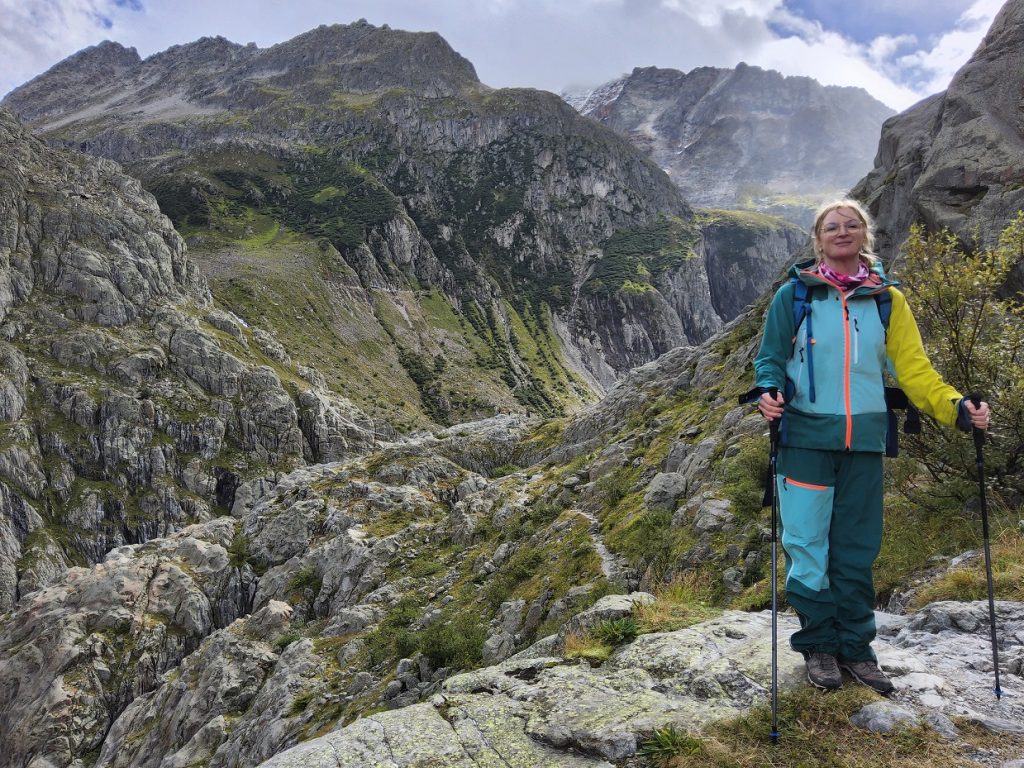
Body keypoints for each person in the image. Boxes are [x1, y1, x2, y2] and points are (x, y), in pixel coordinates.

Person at [751, 199, 990, 694]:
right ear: (819, 239)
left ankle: (857, 649)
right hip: (804, 442)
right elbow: (770, 359)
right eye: (832, 226)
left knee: (856, 551)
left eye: (851, 225)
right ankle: (819, 645)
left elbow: (916, 372)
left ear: (865, 235)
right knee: (807, 547)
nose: (842, 232)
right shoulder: (793, 296)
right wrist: (769, 394)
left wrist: (958, 408)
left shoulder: (887, 300)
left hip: (863, 444)